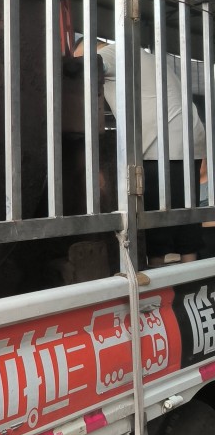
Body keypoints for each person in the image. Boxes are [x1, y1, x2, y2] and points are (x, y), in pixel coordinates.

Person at [75, 38, 206, 265]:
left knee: (157, 215)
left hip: (162, 142)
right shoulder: (140, 54)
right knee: (187, 212)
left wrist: (69, 66)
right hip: (188, 137)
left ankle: (157, 274)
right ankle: (191, 274)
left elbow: (91, 65)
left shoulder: (110, 54)